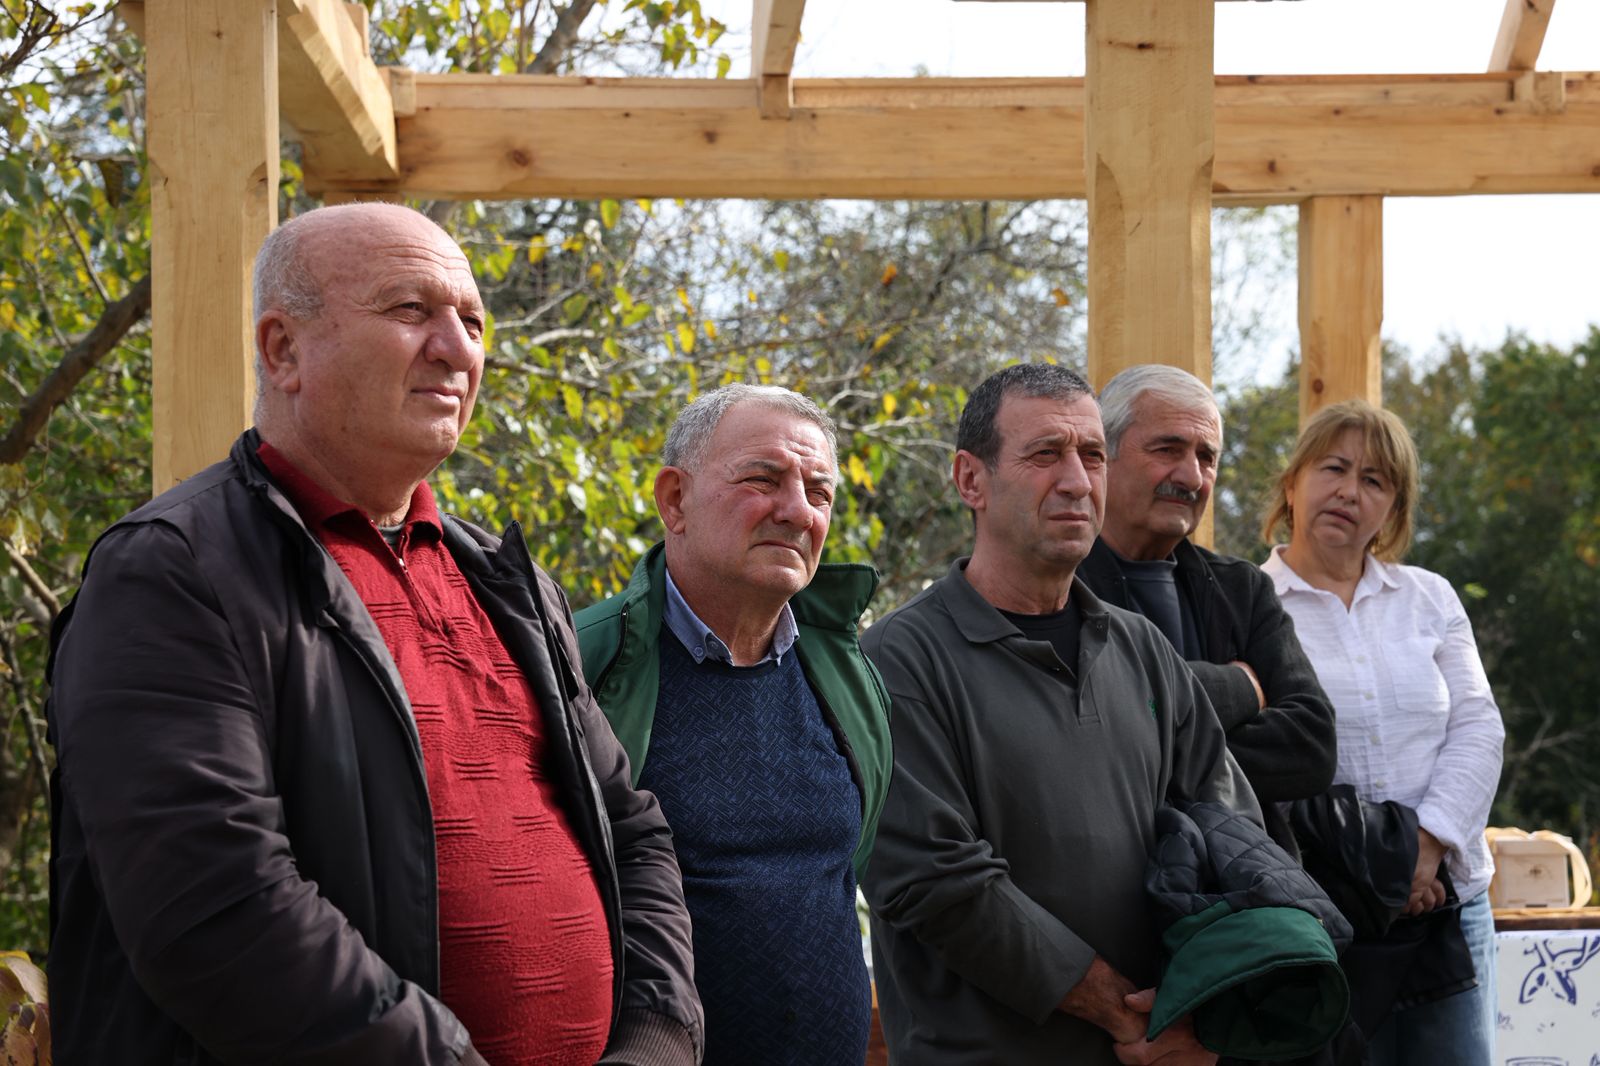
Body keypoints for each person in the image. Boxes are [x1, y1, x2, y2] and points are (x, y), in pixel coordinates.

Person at [46, 203, 702, 1066]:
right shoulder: (174, 571)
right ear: (283, 350)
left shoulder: (508, 583)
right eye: (410, 309)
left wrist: (657, 1040)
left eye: (473, 322)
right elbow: (214, 907)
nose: (457, 348)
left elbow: (632, 830)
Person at [860, 362, 1259, 1065]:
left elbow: (1234, 838)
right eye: (1046, 453)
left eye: (1093, 455)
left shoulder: (1141, 649)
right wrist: (1128, 1017)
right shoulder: (898, 660)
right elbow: (938, 884)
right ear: (971, 480)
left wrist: (1204, 1008)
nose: (1077, 480)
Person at [575, 383, 892, 1066]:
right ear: (674, 500)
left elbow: (846, 869)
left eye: (819, 491)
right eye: (762, 480)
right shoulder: (578, 664)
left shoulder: (848, 673)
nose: (797, 510)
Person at [1260, 399, 1505, 1066]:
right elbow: (1260, 760)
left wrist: (1424, 849)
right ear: (1292, 482)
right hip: (1323, 916)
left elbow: (1479, 727)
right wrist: (1385, 869)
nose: (1349, 491)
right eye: (1333, 467)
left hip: (1446, 906)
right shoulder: (1249, 604)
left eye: (1374, 480)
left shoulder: (1430, 598)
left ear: (1393, 509)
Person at [1077, 364, 1336, 854]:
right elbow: (1080, 743)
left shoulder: (1242, 589)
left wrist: (1154, 741)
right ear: (1103, 456)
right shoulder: (1059, 586)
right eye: (1168, 450)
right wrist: (1239, 688)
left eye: (1207, 457)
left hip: (1242, 881)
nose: (1192, 476)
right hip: (1108, 879)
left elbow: (1313, 746)